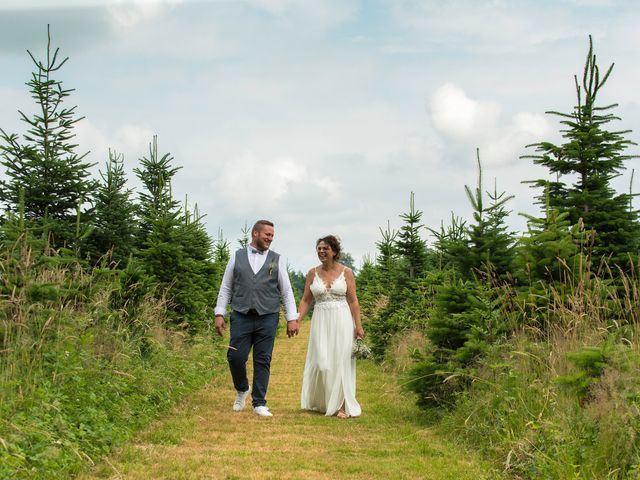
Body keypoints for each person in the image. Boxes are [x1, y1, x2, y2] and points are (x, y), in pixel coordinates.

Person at [214, 220, 299, 417]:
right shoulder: (237, 257)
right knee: (235, 357)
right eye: (267, 234)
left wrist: (291, 318)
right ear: (255, 233)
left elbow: (286, 291)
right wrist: (220, 313)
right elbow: (226, 287)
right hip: (241, 315)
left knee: (263, 359)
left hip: (267, 316)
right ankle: (242, 388)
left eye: (272, 235)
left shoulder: (276, 259)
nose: (270, 238)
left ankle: (259, 402)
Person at [298, 235, 364, 418]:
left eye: (325, 248)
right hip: (321, 319)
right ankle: (326, 401)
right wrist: (297, 320)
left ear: (334, 252)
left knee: (341, 361)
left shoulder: (346, 272)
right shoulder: (312, 273)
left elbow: (353, 300)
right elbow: (305, 300)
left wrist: (358, 326)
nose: (321, 251)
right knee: (322, 362)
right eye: (319, 248)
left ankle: (342, 406)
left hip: (342, 319)